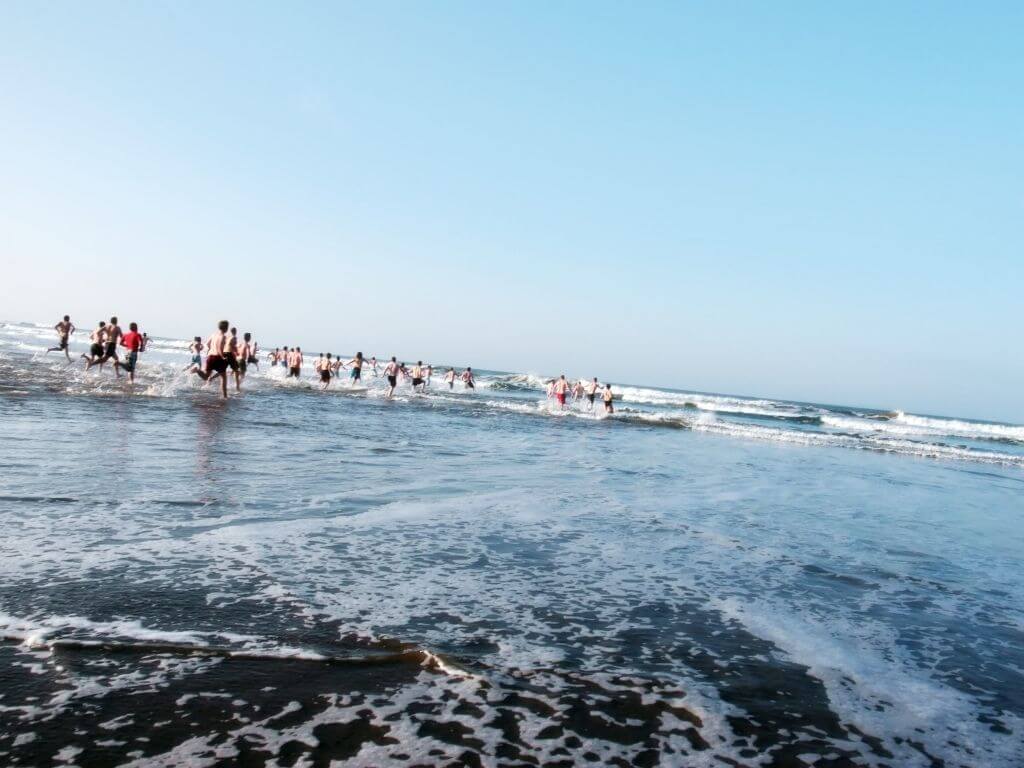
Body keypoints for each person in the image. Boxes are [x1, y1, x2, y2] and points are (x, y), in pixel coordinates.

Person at [192, 320, 231, 398]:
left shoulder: (213, 335)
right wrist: (223, 356)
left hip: (210, 357)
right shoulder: (223, 337)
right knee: (223, 377)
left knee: (206, 376)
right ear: (226, 328)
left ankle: (198, 370)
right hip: (218, 357)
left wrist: (211, 350)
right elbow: (220, 348)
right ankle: (225, 396)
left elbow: (207, 344)